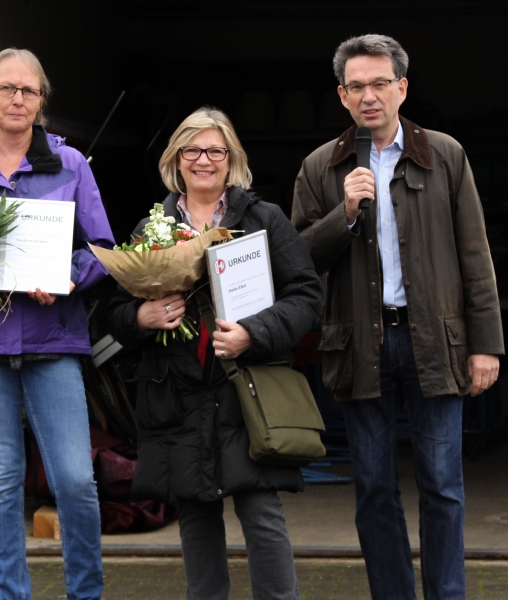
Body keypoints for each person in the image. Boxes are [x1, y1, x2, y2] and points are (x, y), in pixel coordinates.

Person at [292, 34, 504, 599]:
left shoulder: (445, 154)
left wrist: (487, 344)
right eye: (356, 86)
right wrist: (346, 211)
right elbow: (301, 259)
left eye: (380, 84)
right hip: (360, 344)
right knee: (373, 488)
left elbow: (474, 255)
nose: (369, 96)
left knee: (442, 485)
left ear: (401, 88)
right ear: (341, 95)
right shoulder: (322, 167)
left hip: (434, 339)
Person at [108, 107, 322, 600]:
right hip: (176, 396)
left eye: (215, 151)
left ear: (231, 159)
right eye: (193, 150)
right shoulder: (151, 228)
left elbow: (308, 297)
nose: (204, 160)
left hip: (245, 392)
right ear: (176, 159)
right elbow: (114, 314)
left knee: (261, 514)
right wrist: (142, 318)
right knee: (196, 518)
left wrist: (254, 333)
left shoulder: (263, 219)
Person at [0, 47, 114, 600]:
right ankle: (14, 595)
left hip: (53, 337)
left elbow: (102, 248)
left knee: (76, 481)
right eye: (6, 88)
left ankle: (85, 592)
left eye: (28, 91)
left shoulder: (70, 164)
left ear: (41, 102)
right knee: (3, 480)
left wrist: (64, 278)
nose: (17, 99)